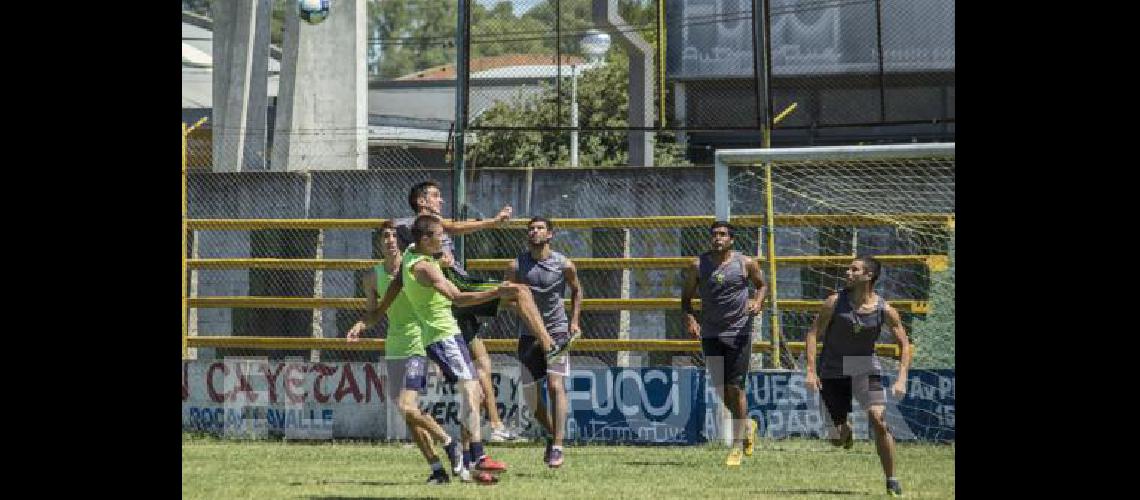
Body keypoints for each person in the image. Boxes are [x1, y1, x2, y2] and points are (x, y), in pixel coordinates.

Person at [394, 180, 518, 442]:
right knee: (518, 294)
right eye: (436, 196)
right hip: (452, 300)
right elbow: (454, 230)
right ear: (422, 201)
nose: (441, 200)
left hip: (453, 298)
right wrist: (493, 222)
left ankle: (491, 428)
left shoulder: (426, 235)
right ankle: (473, 445)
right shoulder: (421, 229)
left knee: (481, 367)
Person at [346, 221, 462, 484]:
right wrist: (361, 325)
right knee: (408, 414)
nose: (389, 240)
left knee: (406, 406)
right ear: (379, 242)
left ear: (401, 241)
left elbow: (442, 266)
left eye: (393, 236)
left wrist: (445, 262)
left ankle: (450, 443)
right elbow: (375, 313)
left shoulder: (415, 265)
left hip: (418, 344)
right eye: (384, 236)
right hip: (395, 346)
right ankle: (437, 470)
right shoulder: (373, 276)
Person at [803, 256, 912, 497]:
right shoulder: (833, 302)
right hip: (832, 369)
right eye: (848, 268)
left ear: (869, 276)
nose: (847, 272)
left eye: (854, 269)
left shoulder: (885, 310)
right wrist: (811, 370)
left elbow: (904, 343)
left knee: (879, 421)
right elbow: (813, 334)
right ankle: (845, 431)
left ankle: (892, 480)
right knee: (837, 439)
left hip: (864, 367)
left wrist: (902, 377)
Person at [680, 221, 767, 467]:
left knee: (735, 387)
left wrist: (758, 302)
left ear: (731, 239)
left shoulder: (745, 263)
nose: (717, 238)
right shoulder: (698, 265)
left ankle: (737, 446)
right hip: (710, 333)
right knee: (721, 389)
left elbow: (762, 286)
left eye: (722, 235)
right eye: (714, 235)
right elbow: (686, 299)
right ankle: (748, 424)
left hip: (738, 332)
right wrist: (690, 319)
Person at [505, 217, 582, 468]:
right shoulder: (516, 265)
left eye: (539, 228)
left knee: (555, 385)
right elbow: (509, 298)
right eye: (530, 229)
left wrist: (574, 320)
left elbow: (577, 290)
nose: (534, 232)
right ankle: (550, 433)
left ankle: (558, 445)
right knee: (530, 396)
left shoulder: (564, 264)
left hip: (557, 333)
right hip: (528, 335)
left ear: (550, 234)